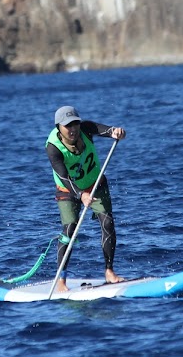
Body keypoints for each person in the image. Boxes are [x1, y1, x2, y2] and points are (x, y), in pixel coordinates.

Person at [45, 105, 126, 292]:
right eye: (68, 126)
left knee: (107, 222)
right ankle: (61, 282)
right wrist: (81, 195)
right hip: (67, 189)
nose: (73, 129)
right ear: (59, 127)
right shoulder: (53, 148)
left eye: (75, 124)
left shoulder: (86, 129)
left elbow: (108, 131)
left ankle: (109, 272)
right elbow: (64, 177)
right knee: (70, 230)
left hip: (95, 183)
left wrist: (117, 132)